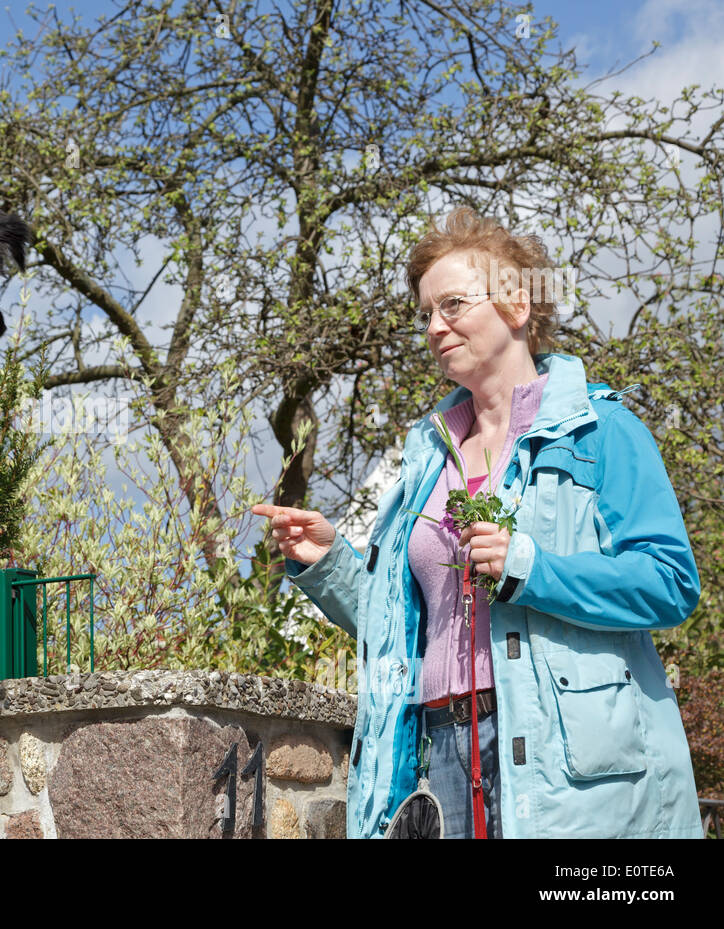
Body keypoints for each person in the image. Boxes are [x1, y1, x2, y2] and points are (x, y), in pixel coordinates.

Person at [253, 206, 702, 838]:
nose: (436, 327)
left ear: (518, 305)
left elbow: (670, 581)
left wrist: (530, 568)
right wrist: (329, 565)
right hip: (438, 755)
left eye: (454, 304)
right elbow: (402, 630)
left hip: (566, 767)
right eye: (426, 314)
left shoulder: (601, 433)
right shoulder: (423, 460)